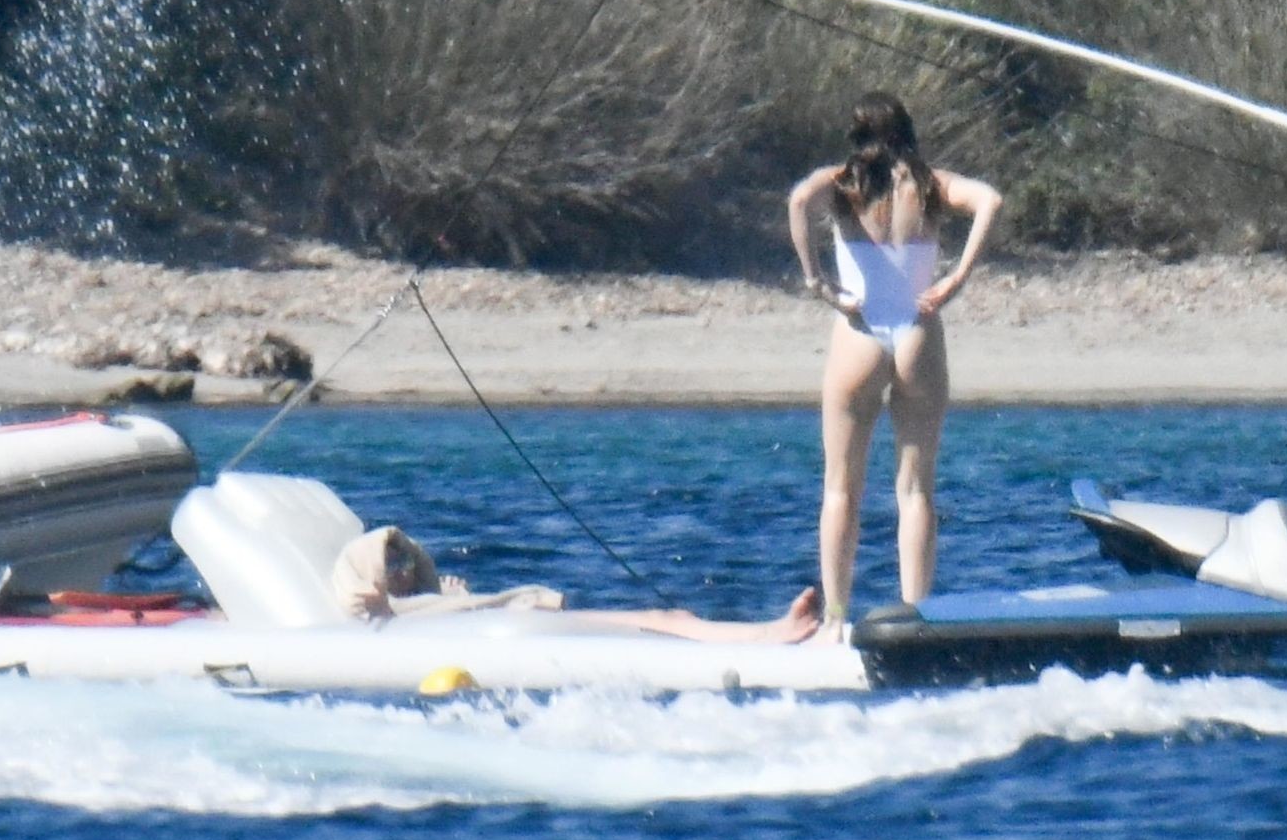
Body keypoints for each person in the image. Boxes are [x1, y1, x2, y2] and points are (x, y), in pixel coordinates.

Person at [787, 92, 1003, 638]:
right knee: (916, 491)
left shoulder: (844, 183)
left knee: (841, 489)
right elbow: (990, 200)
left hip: (858, 332)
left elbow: (798, 200)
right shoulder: (931, 185)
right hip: (917, 331)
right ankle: (916, 619)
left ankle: (835, 620)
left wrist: (817, 282)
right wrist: (956, 278)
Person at [330, 526, 820, 644]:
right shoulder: (389, 618)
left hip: (535, 621)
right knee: (664, 620)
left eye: (407, 558)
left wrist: (449, 595)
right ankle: (767, 635)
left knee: (668, 618)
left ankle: (766, 632)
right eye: (390, 564)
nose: (403, 569)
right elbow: (365, 607)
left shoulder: (423, 606)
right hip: (530, 626)